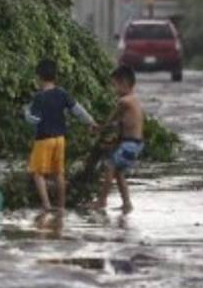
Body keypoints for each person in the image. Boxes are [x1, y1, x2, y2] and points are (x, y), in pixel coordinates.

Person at [24, 59, 96, 212]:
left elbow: (34, 120)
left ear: (39, 77)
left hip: (44, 139)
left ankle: (47, 205)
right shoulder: (62, 93)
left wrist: (26, 112)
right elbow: (78, 110)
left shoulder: (39, 97)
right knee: (58, 173)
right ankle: (61, 206)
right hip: (60, 139)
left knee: (37, 173)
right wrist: (91, 122)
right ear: (55, 77)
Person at [95, 65, 144, 214]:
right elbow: (121, 124)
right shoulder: (133, 99)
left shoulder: (125, 101)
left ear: (123, 83)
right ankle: (127, 203)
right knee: (119, 172)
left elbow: (112, 119)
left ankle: (102, 201)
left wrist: (100, 128)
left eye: (114, 85)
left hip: (130, 144)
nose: (113, 89)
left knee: (110, 166)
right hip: (132, 144)